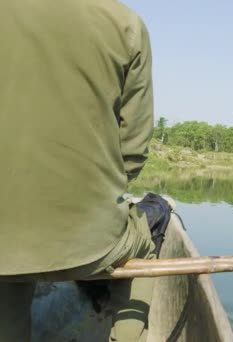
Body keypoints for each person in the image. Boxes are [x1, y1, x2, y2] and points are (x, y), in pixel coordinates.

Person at [0, 0, 157, 340]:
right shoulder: (124, 22)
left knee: (8, 264)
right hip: (91, 242)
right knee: (145, 246)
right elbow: (132, 151)